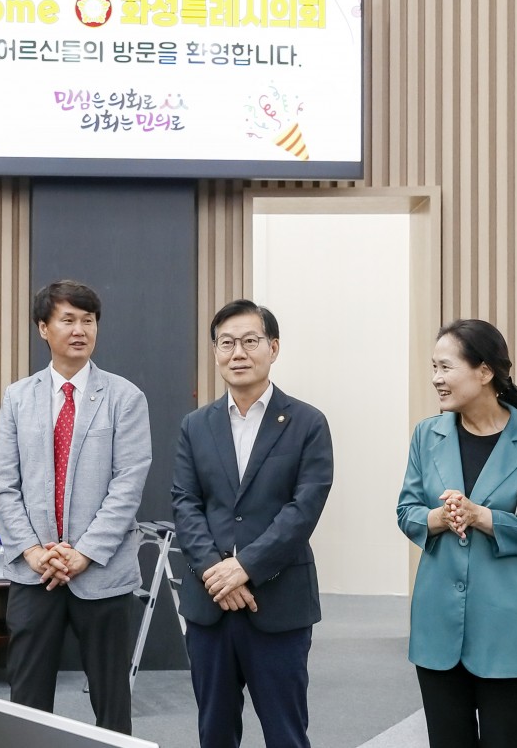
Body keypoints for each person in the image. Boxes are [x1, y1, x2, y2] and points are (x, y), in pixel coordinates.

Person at [172, 299, 334, 748]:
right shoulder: (195, 425)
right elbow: (185, 503)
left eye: (249, 341)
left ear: (273, 348)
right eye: (226, 343)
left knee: (286, 734)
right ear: (215, 352)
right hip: (210, 604)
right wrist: (216, 572)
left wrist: (245, 567)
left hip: (278, 602)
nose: (237, 353)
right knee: (214, 732)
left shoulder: (307, 423)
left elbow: (304, 509)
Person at [0, 279, 151, 735]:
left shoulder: (125, 397)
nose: (80, 330)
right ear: (44, 328)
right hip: (34, 571)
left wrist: (83, 553)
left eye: (88, 320)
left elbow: (128, 485)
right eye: (68, 320)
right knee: (27, 701)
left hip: (102, 571)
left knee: (111, 702)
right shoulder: (18, 397)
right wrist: (32, 551)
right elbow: (5, 484)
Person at [396, 319, 517, 748]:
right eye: (433, 367)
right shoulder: (426, 435)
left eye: (446, 367)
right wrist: (440, 517)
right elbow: (407, 511)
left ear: (485, 371)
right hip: (438, 626)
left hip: (509, 628)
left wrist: (482, 517)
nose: (436, 378)